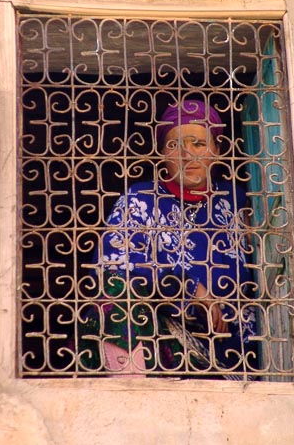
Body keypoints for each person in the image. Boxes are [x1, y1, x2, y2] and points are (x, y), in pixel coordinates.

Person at [80, 99, 257, 377]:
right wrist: (191, 289)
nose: (188, 155)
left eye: (198, 144)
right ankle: (128, 395)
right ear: (162, 154)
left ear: (218, 151)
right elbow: (112, 268)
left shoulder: (238, 200)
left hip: (235, 352)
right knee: (115, 299)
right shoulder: (140, 199)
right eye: (175, 146)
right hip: (162, 339)